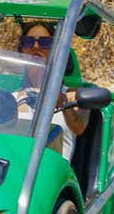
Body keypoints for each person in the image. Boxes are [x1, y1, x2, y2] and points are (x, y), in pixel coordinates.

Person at [14, 22, 90, 161]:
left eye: (45, 42)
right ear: (21, 50)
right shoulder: (10, 98)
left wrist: (63, 103)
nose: (35, 47)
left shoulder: (74, 95)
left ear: (56, 50)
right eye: (28, 41)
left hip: (54, 175)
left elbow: (79, 128)